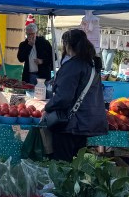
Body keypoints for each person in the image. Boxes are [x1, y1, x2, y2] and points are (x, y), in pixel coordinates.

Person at [43, 28, 106, 162]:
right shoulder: (91, 65)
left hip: (69, 125)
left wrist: (47, 107)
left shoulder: (73, 66)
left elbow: (63, 97)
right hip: (85, 123)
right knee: (77, 166)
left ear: (67, 45)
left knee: (63, 166)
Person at [16, 19, 54, 85]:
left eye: (32, 34)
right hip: (29, 75)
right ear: (26, 33)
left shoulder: (44, 43)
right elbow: (21, 59)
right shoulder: (23, 44)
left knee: (45, 94)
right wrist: (29, 46)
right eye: (28, 34)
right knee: (30, 94)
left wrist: (42, 61)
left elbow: (53, 57)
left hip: (43, 75)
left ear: (36, 33)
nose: (30, 36)